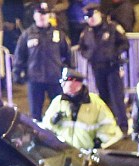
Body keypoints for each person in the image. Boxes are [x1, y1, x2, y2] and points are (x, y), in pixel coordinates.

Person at [12, 2, 72, 119]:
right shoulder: (27, 35)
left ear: (49, 16)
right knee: (35, 114)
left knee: (59, 111)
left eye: (44, 14)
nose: (41, 17)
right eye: (39, 14)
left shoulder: (59, 34)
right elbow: (20, 56)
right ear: (34, 16)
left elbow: (68, 55)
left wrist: (68, 73)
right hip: (35, 79)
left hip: (54, 78)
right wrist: (17, 73)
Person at [77, 3, 129, 134]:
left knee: (116, 97)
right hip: (97, 68)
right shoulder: (86, 32)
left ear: (99, 13)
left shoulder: (112, 27)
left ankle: (123, 126)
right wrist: (89, 55)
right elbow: (82, 48)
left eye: (92, 16)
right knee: (104, 97)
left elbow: (124, 43)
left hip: (112, 67)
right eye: (88, 17)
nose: (91, 19)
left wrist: (114, 54)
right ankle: (108, 125)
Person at [41, 67, 123, 150]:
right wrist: (53, 121)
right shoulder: (58, 102)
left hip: (86, 152)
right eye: (64, 84)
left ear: (77, 83)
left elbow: (108, 125)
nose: (64, 87)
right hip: (63, 151)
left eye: (68, 84)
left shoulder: (95, 103)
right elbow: (46, 126)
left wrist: (99, 141)